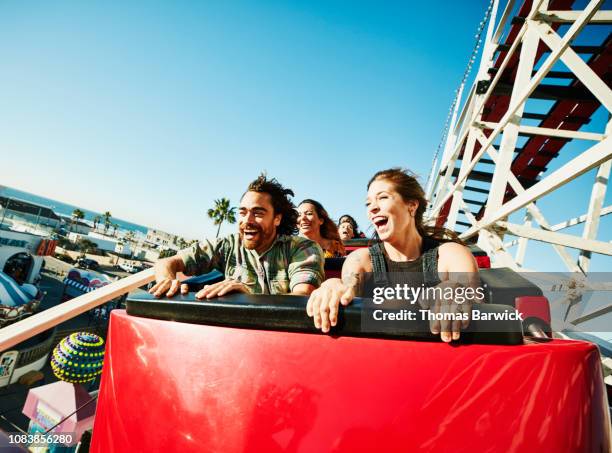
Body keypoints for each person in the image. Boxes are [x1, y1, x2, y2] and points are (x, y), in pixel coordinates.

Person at [306, 168, 479, 342]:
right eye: (368, 203)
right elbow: (348, 291)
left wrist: (456, 289)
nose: (372, 208)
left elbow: (477, 306)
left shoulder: (450, 255)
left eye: (382, 197)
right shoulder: (362, 260)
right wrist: (334, 286)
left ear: (412, 205)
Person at [150, 174, 325, 299]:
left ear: (277, 218)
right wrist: (167, 281)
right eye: (242, 212)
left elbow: (301, 299)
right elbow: (167, 262)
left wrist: (249, 297)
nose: (247, 221)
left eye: (258, 213)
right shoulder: (229, 245)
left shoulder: (302, 249)